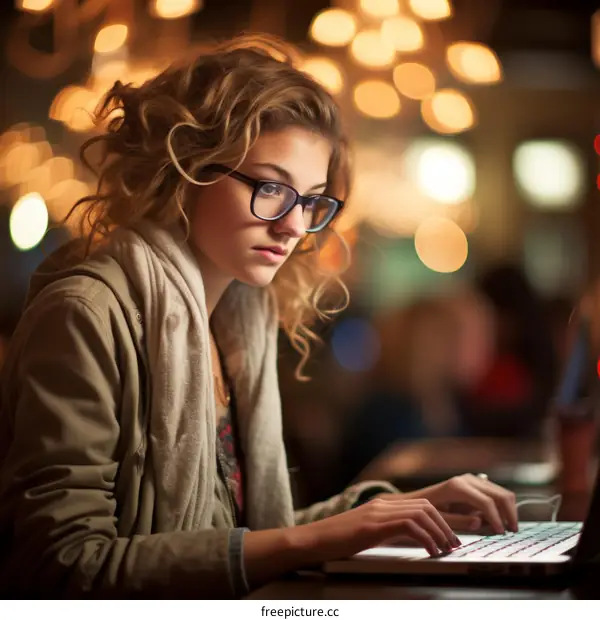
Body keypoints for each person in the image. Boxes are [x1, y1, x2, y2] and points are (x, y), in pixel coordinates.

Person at [0, 34, 518, 598]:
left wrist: (386, 508)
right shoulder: (86, 313)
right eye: (272, 187)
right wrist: (330, 534)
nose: (295, 226)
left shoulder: (237, 322)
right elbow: (63, 565)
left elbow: (238, 537)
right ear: (188, 167)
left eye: (312, 199)